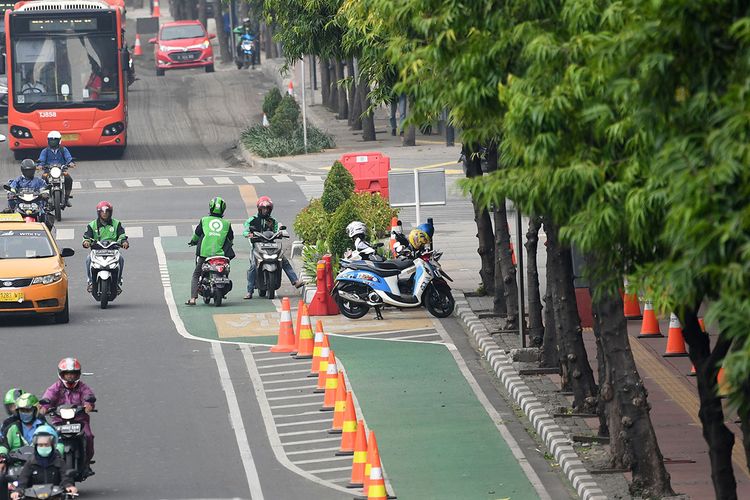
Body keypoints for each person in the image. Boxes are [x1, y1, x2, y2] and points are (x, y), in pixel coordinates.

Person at [40, 358, 96, 479]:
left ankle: (86, 463)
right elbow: (48, 397)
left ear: (78, 374)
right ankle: (51, 463)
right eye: (67, 374)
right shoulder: (55, 387)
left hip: (80, 420)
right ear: (61, 374)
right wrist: (44, 407)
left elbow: (88, 396)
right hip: (59, 421)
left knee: (89, 436)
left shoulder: (82, 387)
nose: (70, 377)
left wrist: (88, 404)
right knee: (50, 439)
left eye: (73, 374)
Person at [242, 196, 302, 299]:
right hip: (257, 247)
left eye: (267, 209)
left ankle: (295, 281)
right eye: (263, 209)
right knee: (253, 266)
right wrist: (248, 234)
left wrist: (281, 233)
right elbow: (245, 230)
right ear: (259, 209)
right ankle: (249, 291)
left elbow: (277, 230)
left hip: (271, 245)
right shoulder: (252, 220)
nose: (265, 211)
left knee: (284, 261)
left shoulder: (273, 221)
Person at [186, 197, 235, 305]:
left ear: (211, 207)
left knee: (196, 274)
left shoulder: (204, 220)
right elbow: (231, 239)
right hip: (220, 255)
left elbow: (197, 234)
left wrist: (192, 242)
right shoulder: (227, 223)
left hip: (204, 254)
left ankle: (193, 299)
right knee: (226, 269)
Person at [10, 425, 77, 500]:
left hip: (55, 497)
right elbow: (23, 480)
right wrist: (18, 491)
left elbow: (65, 477)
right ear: (36, 446)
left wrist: (68, 486)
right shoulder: (30, 463)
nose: (43, 447)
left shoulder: (59, 461)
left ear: (52, 445)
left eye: (46, 445)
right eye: (40, 445)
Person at [82, 201, 128, 292]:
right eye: (102, 212)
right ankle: (91, 282)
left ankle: (118, 282)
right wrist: (86, 242)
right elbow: (86, 236)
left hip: (112, 250)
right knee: (88, 259)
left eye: (107, 212)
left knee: (121, 259)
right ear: (98, 212)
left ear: (110, 212)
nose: (104, 214)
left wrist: (124, 242)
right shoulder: (92, 225)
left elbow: (122, 235)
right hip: (97, 250)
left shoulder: (116, 224)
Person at [0, 393, 50, 465]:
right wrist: (2, 455)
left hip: (41, 466)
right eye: (22, 410)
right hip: (15, 466)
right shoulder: (12, 428)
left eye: (28, 410)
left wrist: (57, 451)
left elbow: (58, 443)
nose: (24, 413)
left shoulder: (45, 427)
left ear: (35, 410)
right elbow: (3, 445)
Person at [37, 131, 75, 207]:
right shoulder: (45, 151)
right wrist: (40, 166)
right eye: (51, 140)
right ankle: (44, 198)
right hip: (48, 171)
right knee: (43, 178)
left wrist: (70, 163)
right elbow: (41, 160)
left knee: (68, 179)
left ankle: (66, 198)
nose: (53, 142)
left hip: (61, 171)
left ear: (59, 140)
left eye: (55, 140)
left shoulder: (63, 150)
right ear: (48, 141)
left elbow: (68, 158)